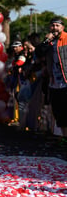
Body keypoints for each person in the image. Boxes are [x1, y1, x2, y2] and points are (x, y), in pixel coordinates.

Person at [36, 17, 67, 146]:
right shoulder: (49, 42)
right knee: (59, 112)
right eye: (53, 25)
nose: (54, 28)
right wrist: (46, 40)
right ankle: (65, 137)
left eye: (57, 26)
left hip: (66, 81)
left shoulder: (66, 39)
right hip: (54, 82)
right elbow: (38, 53)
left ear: (62, 27)